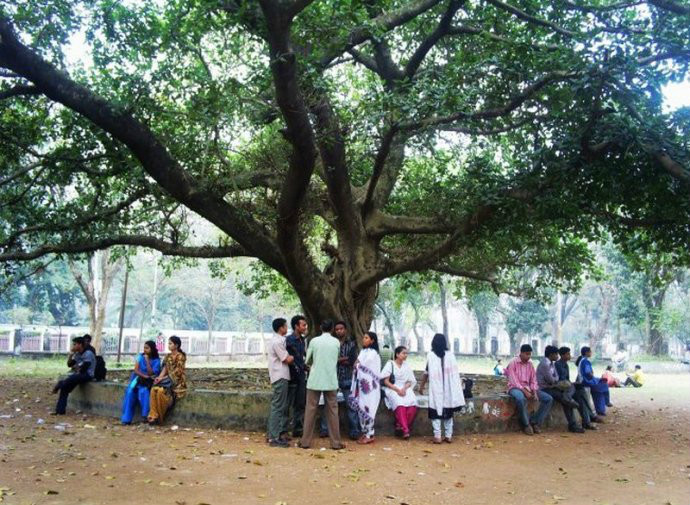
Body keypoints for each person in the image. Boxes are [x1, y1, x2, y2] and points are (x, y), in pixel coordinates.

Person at [299, 320, 345, 450]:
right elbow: (335, 358)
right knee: (333, 411)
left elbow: (308, 360)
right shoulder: (336, 342)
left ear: (320, 328)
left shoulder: (314, 341)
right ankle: (336, 442)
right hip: (330, 380)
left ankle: (305, 441)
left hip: (315, 380)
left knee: (310, 410)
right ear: (332, 329)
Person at [418, 333, 464, 444]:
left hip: (436, 388)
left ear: (433, 342)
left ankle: (437, 436)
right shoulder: (451, 355)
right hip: (449, 388)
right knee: (448, 412)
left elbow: (426, 372)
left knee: (435, 412)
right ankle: (448, 436)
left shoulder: (431, 355)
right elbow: (455, 374)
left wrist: (421, 386)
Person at [319, 321, 360, 440]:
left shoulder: (352, 343)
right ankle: (324, 429)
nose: (339, 331)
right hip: (333, 378)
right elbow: (329, 359)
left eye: (341, 329)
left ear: (345, 329)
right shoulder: (331, 343)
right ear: (333, 331)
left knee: (351, 405)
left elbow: (353, 360)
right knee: (329, 404)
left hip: (347, 377)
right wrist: (343, 359)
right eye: (337, 329)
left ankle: (354, 431)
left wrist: (338, 360)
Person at [504, 344, 553, 436]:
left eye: (530, 354)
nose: (528, 356)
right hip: (514, 387)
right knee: (520, 399)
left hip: (528, 388)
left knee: (548, 399)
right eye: (527, 354)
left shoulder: (530, 364)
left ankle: (535, 422)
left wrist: (534, 391)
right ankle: (526, 425)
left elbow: (533, 379)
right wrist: (525, 391)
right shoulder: (513, 363)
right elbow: (514, 381)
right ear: (521, 353)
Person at [537, 345, 584, 433]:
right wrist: (554, 380)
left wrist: (554, 380)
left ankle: (573, 423)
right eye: (556, 354)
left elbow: (556, 377)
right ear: (551, 355)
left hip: (552, 387)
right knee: (565, 400)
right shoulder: (545, 364)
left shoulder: (551, 363)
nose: (557, 356)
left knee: (566, 399)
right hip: (545, 389)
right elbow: (551, 379)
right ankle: (573, 423)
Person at [349, 330, 382, 445]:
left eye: (366, 338)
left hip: (371, 388)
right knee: (362, 408)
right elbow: (357, 363)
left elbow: (361, 365)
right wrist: (357, 364)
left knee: (369, 408)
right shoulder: (363, 351)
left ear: (372, 340)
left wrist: (357, 364)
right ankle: (365, 433)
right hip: (362, 387)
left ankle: (370, 434)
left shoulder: (373, 353)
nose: (364, 339)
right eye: (364, 337)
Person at [265, 318, 293, 447]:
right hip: (280, 375)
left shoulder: (276, 340)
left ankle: (273, 434)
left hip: (279, 375)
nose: (287, 328)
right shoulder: (277, 342)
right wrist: (292, 357)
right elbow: (286, 359)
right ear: (281, 328)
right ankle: (273, 437)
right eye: (285, 326)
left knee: (279, 406)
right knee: (278, 407)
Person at [555, 346, 599, 429]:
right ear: (562, 355)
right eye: (568, 354)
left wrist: (573, 383)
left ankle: (587, 421)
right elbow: (558, 380)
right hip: (561, 388)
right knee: (569, 401)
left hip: (567, 387)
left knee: (581, 395)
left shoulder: (566, 365)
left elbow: (567, 379)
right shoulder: (557, 365)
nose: (570, 355)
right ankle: (574, 424)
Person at [147, 336, 187, 425]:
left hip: (177, 381)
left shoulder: (181, 356)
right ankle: (153, 415)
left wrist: (163, 379)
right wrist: (159, 378)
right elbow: (165, 369)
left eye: (170, 343)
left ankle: (159, 417)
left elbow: (178, 372)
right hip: (167, 379)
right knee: (154, 389)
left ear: (176, 345)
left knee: (161, 391)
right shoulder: (167, 356)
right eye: (168, 343)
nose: (168, 345)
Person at [51, 336, 96, 415]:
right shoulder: (78, 354)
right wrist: (71, 355)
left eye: (75, 344)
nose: (73, 346)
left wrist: (77, 368)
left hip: (88, 375)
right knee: (64, 388)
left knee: (70, 379)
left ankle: (60, 384)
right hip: (78, 375)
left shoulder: (88, 353)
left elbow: (84, 368)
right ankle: (60, 411)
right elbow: (69, 364)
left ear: (80, 345)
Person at [381, 345, 418, 439]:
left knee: (413, 402)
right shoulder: (390, 364)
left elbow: (410, 381)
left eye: (407, 353)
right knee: (399, 402)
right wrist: (397, 390)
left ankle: (400, 425)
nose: (406, 355)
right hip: (392, 388)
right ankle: (405, 430)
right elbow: (386, 381)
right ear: (397, 354)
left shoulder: (407, 365)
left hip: (405, 388)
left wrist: (404, 389)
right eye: (403, 353)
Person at [121, 340, 162, 424]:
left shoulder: (156, 360)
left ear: (152, 349)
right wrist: (144, 376)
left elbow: (151, 373)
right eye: (144, 348)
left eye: (147, 348)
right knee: (129, 393)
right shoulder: (140, 356)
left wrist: (147, 361)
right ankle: (126, 419)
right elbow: (136, 370)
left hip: (147, 383)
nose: (145, 350)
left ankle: (145, 416)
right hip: (137, 380)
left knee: (144, 393)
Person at [286, 315, 308, 438]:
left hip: (301, 375)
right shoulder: (289, 340)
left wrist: (305, 366)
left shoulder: (302, 340)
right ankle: (284, 429)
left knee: (300, 403)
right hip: (291, 376)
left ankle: (297, 429)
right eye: (303, 325)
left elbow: (301, 358)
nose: (305, 327)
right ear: (296, 326)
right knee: (289, 403)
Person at [576, 346, 611, 415]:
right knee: (604, 384)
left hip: (585, 380)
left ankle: (601, 410)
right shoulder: (585, 361)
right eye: (590, 352)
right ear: (586, 353)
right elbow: (588, 373)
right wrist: (595, 379)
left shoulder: (582, 360)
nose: (591, 353)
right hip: (586, 381)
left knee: (598, 391)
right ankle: (607, 402)